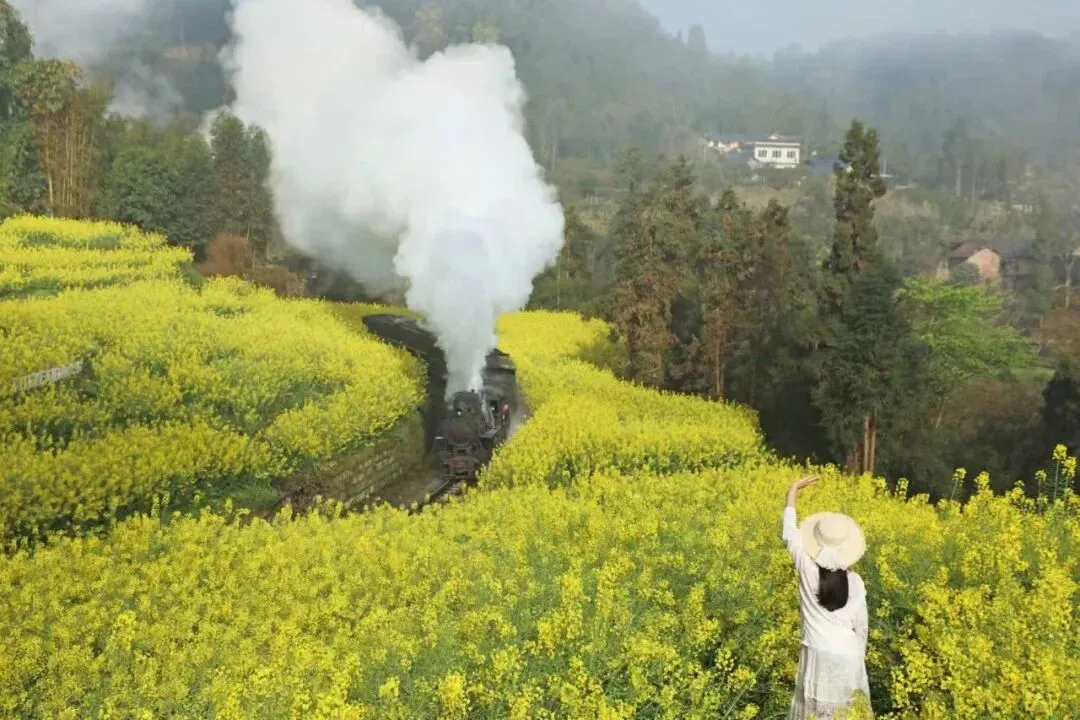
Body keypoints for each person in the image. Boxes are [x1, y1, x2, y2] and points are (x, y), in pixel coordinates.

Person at [782, 475, 871, 719]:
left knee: (817, 714)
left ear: (817, 543)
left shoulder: (807, 569)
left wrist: (793, 491)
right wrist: (858, 659)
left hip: (819, 652)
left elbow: (789, 534)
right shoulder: (855, 581)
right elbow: (861, 627)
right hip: (849, 654)